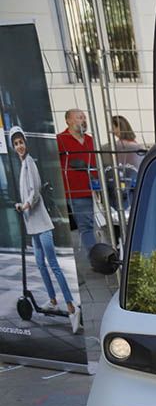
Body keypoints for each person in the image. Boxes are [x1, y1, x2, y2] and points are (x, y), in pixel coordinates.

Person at [12, 127, 79, 333]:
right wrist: (21, 205)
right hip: (33, 226)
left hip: (42, 224)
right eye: (15, 144)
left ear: (26, 142)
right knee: (40, 265)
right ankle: (52, 300)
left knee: (53, 265)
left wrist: (26, 205)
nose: (19, 146)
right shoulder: (22, 164)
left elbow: (36, 189)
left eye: (21, 142)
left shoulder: (30, 163)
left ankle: (71, 307)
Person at [57, 108, 96, 251]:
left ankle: (93, 258)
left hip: (90, 190)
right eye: (79, 117)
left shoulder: (91, 140)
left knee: (88, 226)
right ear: (68, 120)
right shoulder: (60, 140)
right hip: (71, 191)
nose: (83, 120)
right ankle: (93, 259)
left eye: (84, 117)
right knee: (83, 227)